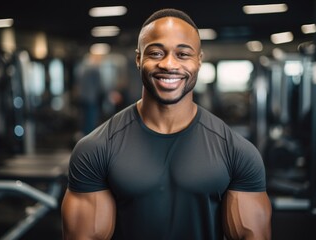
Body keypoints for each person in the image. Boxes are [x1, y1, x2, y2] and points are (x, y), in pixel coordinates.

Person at [61, 8, 272, 240]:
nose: (169, 64)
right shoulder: (95, 149)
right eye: (156, 53)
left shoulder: (237, 152)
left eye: (183, 54)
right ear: (139, 58)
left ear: (199, 61)